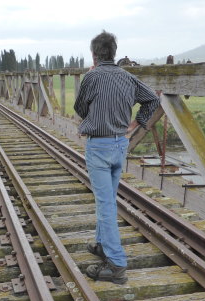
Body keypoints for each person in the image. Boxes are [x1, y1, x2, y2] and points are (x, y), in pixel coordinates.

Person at [74, 30, 159, 284]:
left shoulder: (92, 77)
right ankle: (102, 245)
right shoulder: (127, 77)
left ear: (94, 54)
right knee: (108, 199)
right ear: (114, 52)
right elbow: (152, 100)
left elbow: (79, 108)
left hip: (98, 147)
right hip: (121, 144)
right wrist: (136, 124)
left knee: (105, 205)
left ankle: (117, 264)